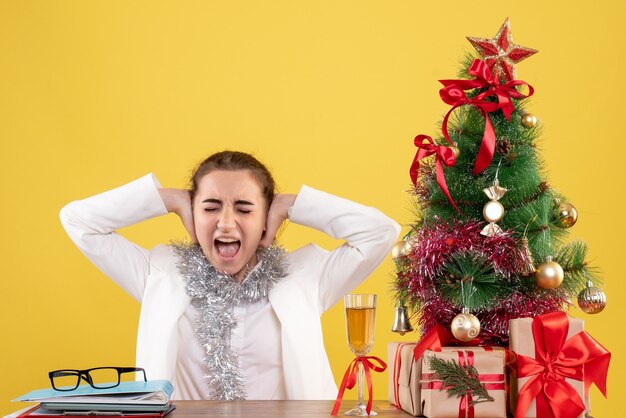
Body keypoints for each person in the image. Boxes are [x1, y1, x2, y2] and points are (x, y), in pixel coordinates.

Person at [60, 150, 400, 401]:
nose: (225, 222)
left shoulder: (304, 277)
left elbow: (381, 233)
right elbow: (78, 222)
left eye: (244, 208)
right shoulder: (160, 274)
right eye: (209, 207)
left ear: (267, 218)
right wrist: (165, 199)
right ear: (192, 216)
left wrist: (294, 205)